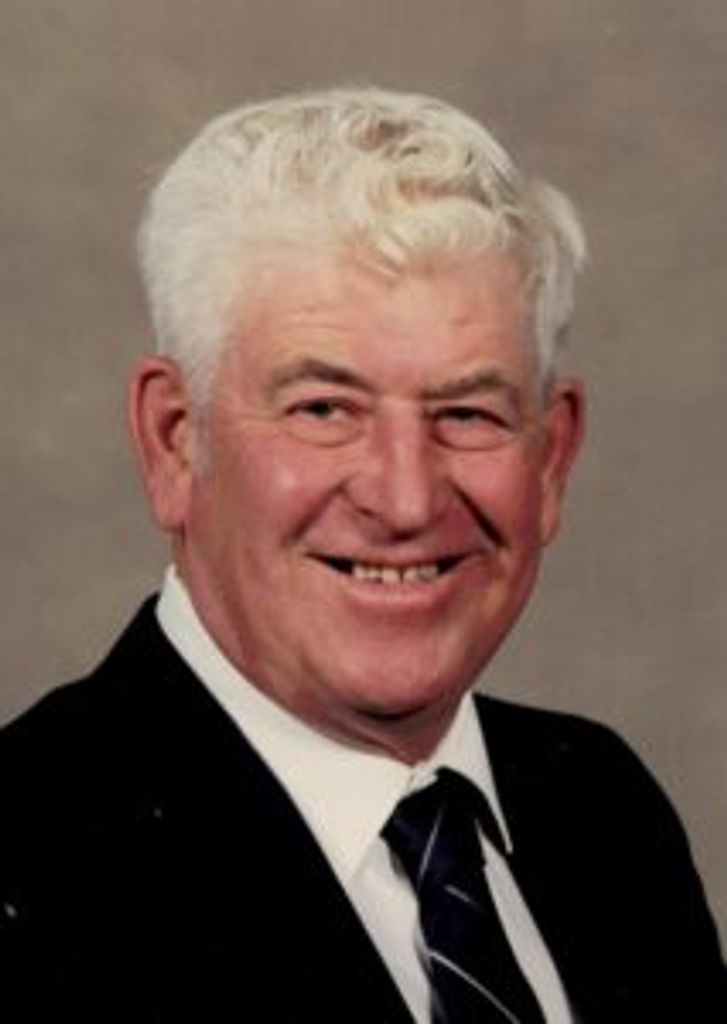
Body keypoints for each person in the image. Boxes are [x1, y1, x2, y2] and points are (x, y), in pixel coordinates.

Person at [1, 86, 725, 1024]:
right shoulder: (29, 871)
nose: (405, 499)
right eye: (323, 409)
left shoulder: (600, 812)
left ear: (550, 459)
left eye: (467, 414)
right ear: (175, 442)